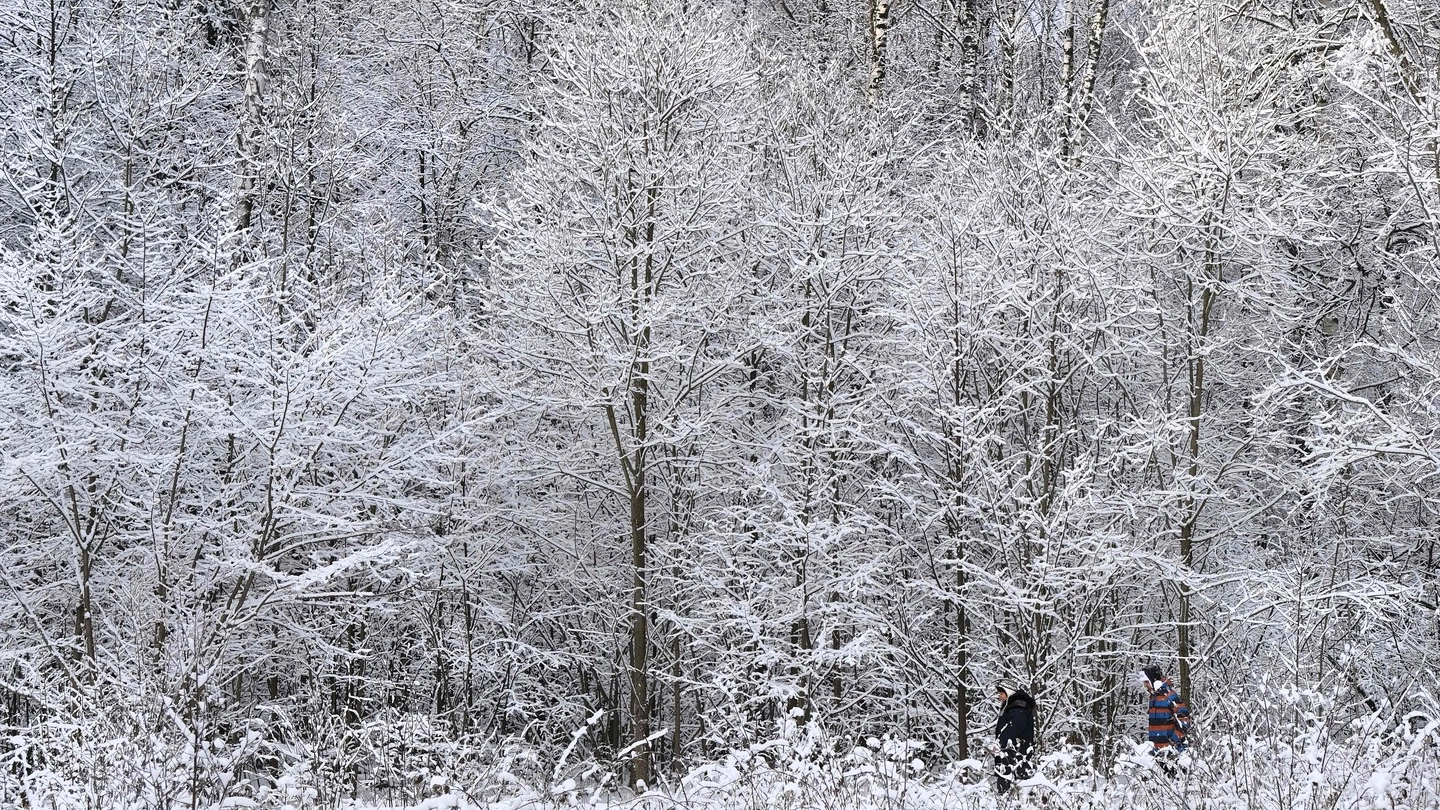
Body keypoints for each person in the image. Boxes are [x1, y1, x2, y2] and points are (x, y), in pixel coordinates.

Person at [1140, 665, 1192, 773]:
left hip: (1174, 753)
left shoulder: (1169, 695)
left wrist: (1173, 740)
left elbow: (1185, 719)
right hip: (1158, 753)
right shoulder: (1153, 697)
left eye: (1146, 681)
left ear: (1153, 680)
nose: (1145, 685)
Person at [993, 682, 1037, 793]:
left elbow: (1015, 726)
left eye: (1002, 693)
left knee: (1011, 786)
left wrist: (999, 743)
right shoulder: (1013, 706)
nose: (1000, 696)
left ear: (1009, 692)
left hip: (1015, 753)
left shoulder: (1018, 706)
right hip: (1013, 752)